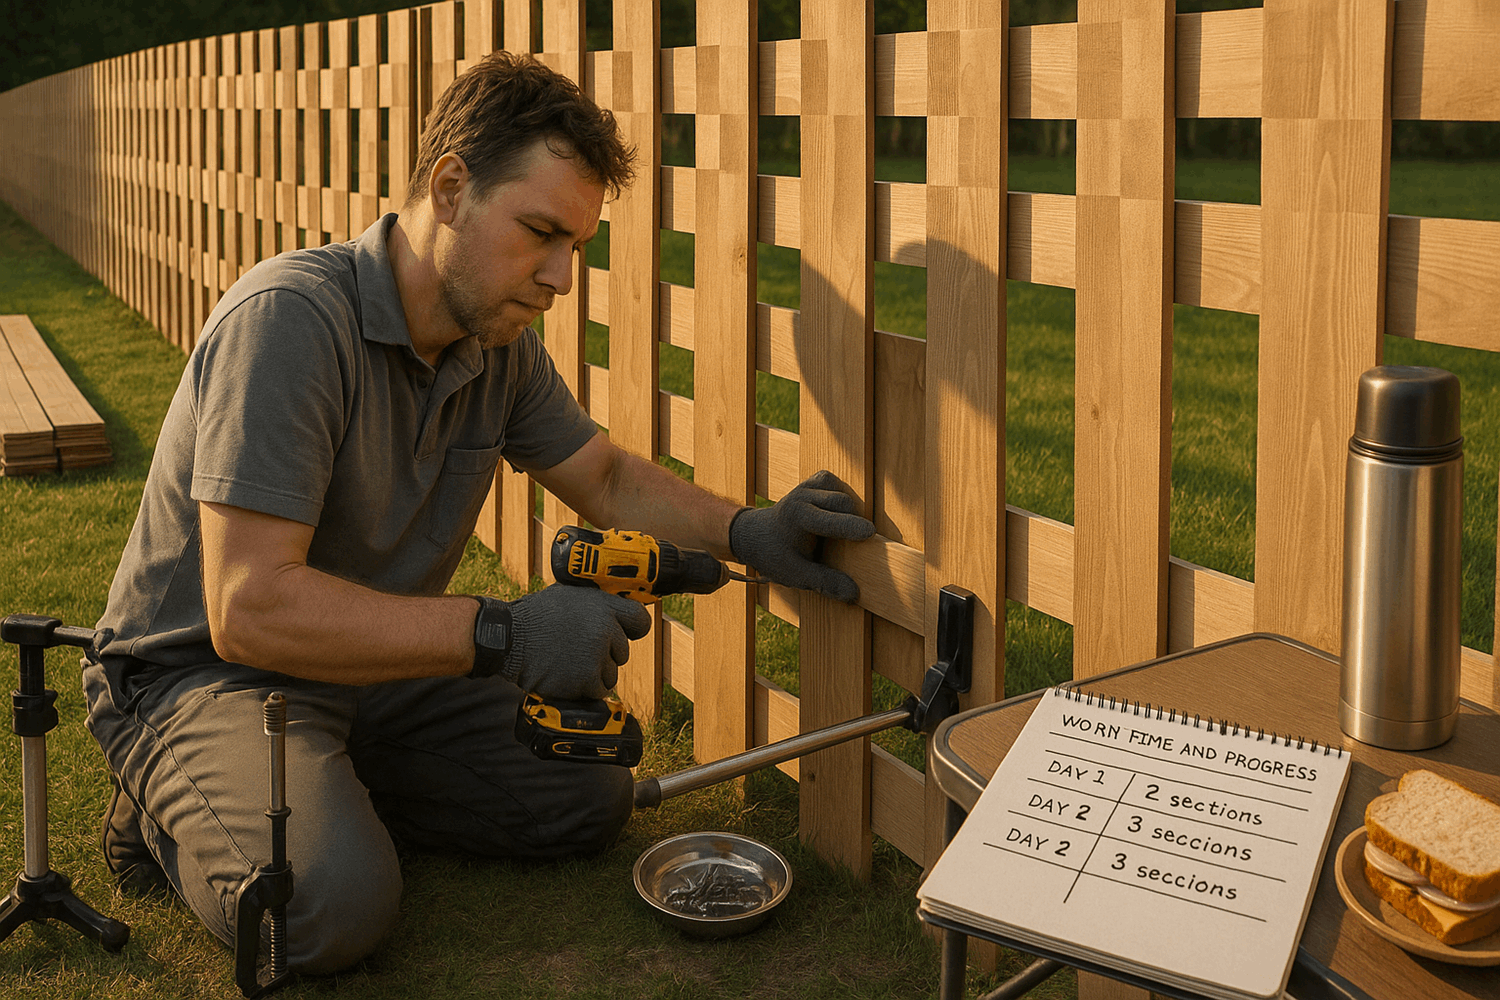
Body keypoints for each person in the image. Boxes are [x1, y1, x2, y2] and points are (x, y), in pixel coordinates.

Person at [82, 51, 874, 973]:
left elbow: (607, 479)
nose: (562, 277)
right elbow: (251, 607)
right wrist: (505, 635)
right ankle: (162, 793)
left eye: (576, 245)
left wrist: (750, 532)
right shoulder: (291, 320)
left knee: (587, 797)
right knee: (326, 909)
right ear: (451, 187)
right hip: (203, 675)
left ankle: (321, 784)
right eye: (540, 231)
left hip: (369, 672)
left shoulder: (490, 343)